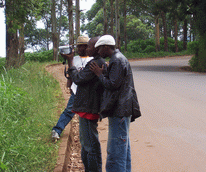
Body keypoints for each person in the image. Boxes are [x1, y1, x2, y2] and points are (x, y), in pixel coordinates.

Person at [89, 35, 141, 172]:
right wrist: (105, 71)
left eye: (100, 49)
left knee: (116, 151)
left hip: (120, 111)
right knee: (123, 149)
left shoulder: (117, 61)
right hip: (122, 111)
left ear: (106, 47)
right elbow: (116, 80)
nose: (99, 52)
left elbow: (112, 84)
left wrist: (99, 74)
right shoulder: (117, 59)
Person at [66, 37, 106, 172]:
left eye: (89, 46)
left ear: (97, 47)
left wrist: (70, 61)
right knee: (87, 144)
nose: (87, 49)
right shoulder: (95, 63)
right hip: (88, 109)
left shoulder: (95, 64)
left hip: (89, 110)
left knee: (90, 146)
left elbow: (78, 78)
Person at [51, 36, 93, 140]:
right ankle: (57, 130)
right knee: (69, 111)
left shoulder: (92, 59)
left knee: (88, 114)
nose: (80, 49)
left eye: (82, 47)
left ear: (87, 47)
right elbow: (70, 72)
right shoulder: (73, 59)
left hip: (89, 91)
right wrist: (69, 84)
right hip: (76, 91)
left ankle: (87, 135)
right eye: (78, 47)